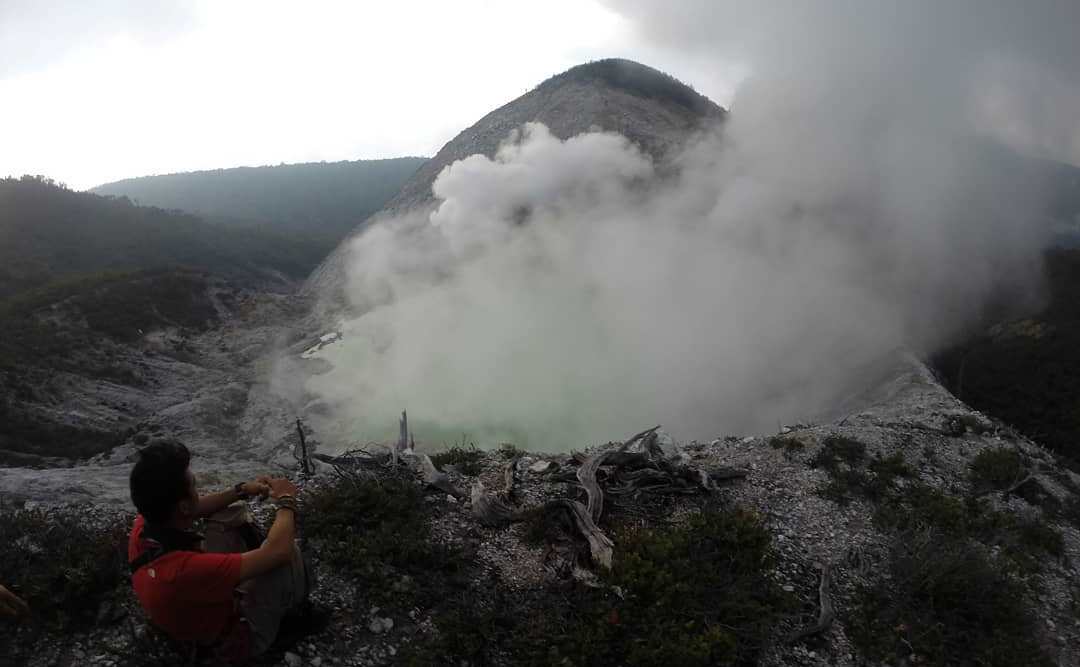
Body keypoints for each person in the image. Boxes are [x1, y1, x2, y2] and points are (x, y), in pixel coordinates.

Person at [128, 438, 310, 662]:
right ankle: (292, 614)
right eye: (193, 485)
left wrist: (242, 490)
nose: (197, 490)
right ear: (182, 505)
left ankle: (251, 571)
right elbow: (278, 552)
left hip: (194, 610)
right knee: (288, 552)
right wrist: (286, 499)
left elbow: (196, 508)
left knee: (227, 511)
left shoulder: (145, 525)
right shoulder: (183, 571)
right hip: (236, 637)